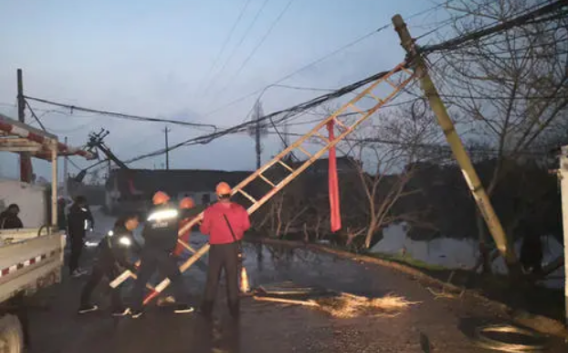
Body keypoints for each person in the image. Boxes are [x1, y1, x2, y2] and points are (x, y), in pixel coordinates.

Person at [129, 191, 193, 318]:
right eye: (167, 201)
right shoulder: (172, 213)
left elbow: (144, 233)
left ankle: (135, 309)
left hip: (148, 251)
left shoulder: (150, 215)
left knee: (141, 281)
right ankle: (182, 305)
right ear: (164, 202)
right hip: (164, 252)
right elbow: (189, 212)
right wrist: (209, 205)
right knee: (176, 278)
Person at [200, 182, 250, 318]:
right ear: (230, 194)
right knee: (232, 280)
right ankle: (234, 311)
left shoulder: (210, 210)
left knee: (212, 280)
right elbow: (246, 226)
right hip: (232, 248)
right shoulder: (240, 209)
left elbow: (204, 230)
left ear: (217, 195)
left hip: (216, 249)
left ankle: (207, 310)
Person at [78, 212, 141, 316]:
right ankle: (117, 309)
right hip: (106, 260)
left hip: (100, 258)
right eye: (136, 220)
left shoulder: (124, 231)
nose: (138, 223)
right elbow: (118, 253)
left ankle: (84, 305)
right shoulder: (120, 233)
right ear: (129, 221)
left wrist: (147, 253)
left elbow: (135, 246)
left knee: (93, 281)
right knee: (117, 281)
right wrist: (130, 266)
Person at [67, 196, 95, 277]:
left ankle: (76, 268)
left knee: (78, 252)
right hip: (76, 235)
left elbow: (88, 216)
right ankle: (72, 270)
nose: (85, 204)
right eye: (84, 203)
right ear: (80, 203)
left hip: (78, 234)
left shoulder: (79, 210)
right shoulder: (74, 211)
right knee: (75, 253)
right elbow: (83, 217)